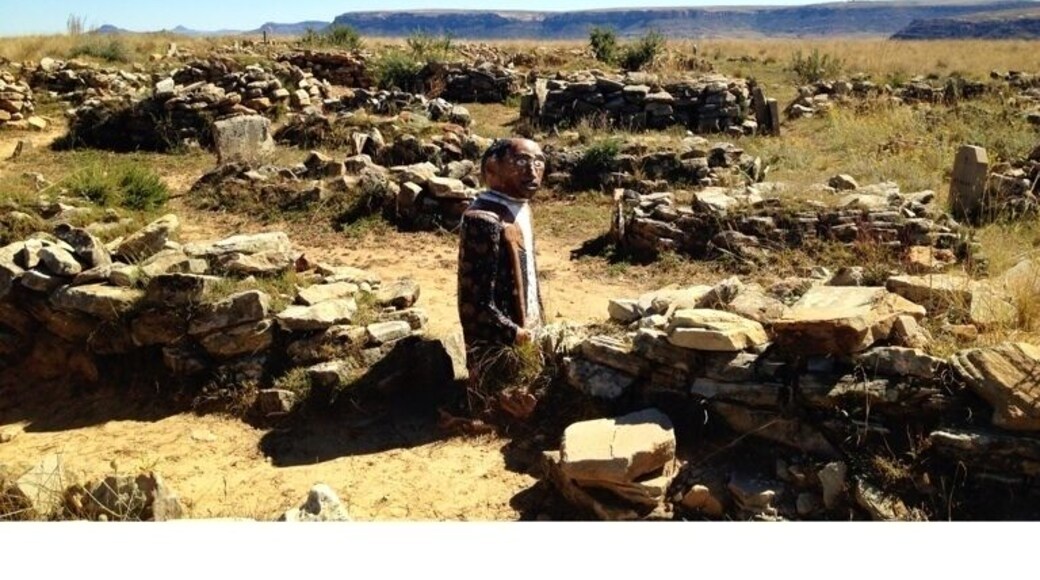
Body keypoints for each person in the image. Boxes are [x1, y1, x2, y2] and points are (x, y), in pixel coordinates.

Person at [456, 137, 547, 419]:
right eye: (520, 162)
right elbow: (475, 302)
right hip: (504, 340)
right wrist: (513, 333)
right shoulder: (483, 219)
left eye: (538, 162)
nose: (532, 171)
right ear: (492, 169)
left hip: (527, 331)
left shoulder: (520, 209)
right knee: (505, 402)